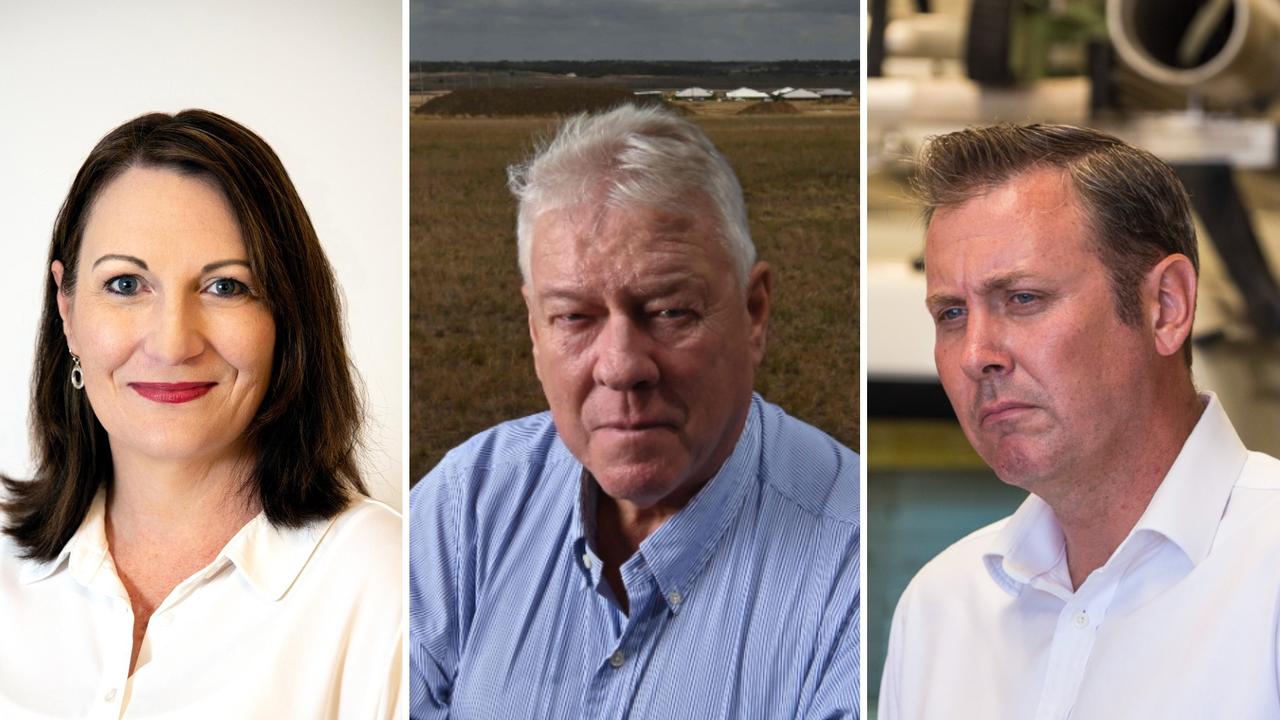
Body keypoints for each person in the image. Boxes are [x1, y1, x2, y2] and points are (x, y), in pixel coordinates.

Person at [408, 104, 859, 718]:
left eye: (670, 311)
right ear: (534, 328)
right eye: (573, 316)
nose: (621, 366)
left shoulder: (851, 571)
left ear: (754, 313)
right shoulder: (466, 508)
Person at [0, 110, 401, 719]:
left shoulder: (390, 585)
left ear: (286, 315)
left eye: (225, 287)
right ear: (66, 306)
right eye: (126, 285)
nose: (173, 343)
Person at [879, 124, 1280, 719]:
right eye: (952, 312)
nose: (974, 354)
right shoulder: (940, 610)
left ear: (1165, 307)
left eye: (1022, 299)